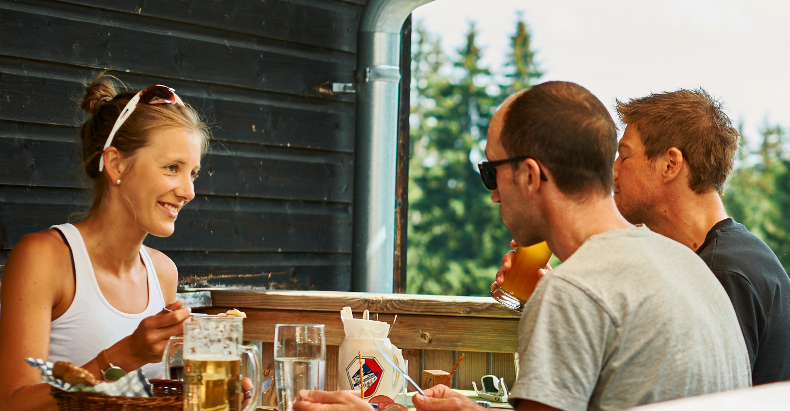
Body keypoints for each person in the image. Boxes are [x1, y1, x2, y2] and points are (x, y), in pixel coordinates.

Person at [295, 81, 749, 411]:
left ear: (530, 176)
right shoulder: (687, 266)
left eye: (492, 172)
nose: (492, 194)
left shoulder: (573, 291)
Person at [0, 75, 201, 409]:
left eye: (193, 173)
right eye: (172, 168)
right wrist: (124, 355)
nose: (188, 191)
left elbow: (138, 397)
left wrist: (205, 393)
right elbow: (13, 403)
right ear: (116, 163)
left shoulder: (163, 273)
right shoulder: (45, 258)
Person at [612, 89, 790, 385]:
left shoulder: (723, 274)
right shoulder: (729, 257)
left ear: (670, 165)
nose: (613, 170)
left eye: (624, 155)